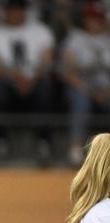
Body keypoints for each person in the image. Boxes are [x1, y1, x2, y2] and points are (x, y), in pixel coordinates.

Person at [0, 0, 56, 160]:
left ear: (24, 11)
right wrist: (17, 77)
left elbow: (47, 61)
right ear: (5, 11)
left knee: (46, 86)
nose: (14, 13)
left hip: (35, 79)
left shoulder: (41, 30)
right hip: (7, 80)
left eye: (18, 9)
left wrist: (31, 79)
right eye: (10, 9)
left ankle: (44, 141)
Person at [61, 4, 110, 165]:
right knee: (80, 99)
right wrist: (89, 91)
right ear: (84, 20)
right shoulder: (75, 38)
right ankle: (75, 148)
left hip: (107, 89)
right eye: (90, 19)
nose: (93, 22)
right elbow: (69, 72)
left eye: (97, 19)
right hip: (81, 87)